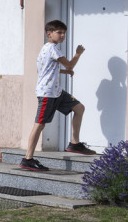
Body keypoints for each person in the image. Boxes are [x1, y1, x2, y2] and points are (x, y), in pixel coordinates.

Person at [21, 20, 92, 170]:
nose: (62, 35)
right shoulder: (53, 48)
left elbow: (46, 70)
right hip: (47, 94)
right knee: (39, 124)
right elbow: (70, 64)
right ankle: (28, 159)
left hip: (57, 92)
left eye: (64, 33)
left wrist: (65, 72)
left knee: (79, 108)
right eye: (59, 32)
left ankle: (74, 143)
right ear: (49, 33)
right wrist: (78, 54)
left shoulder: (46, 49)